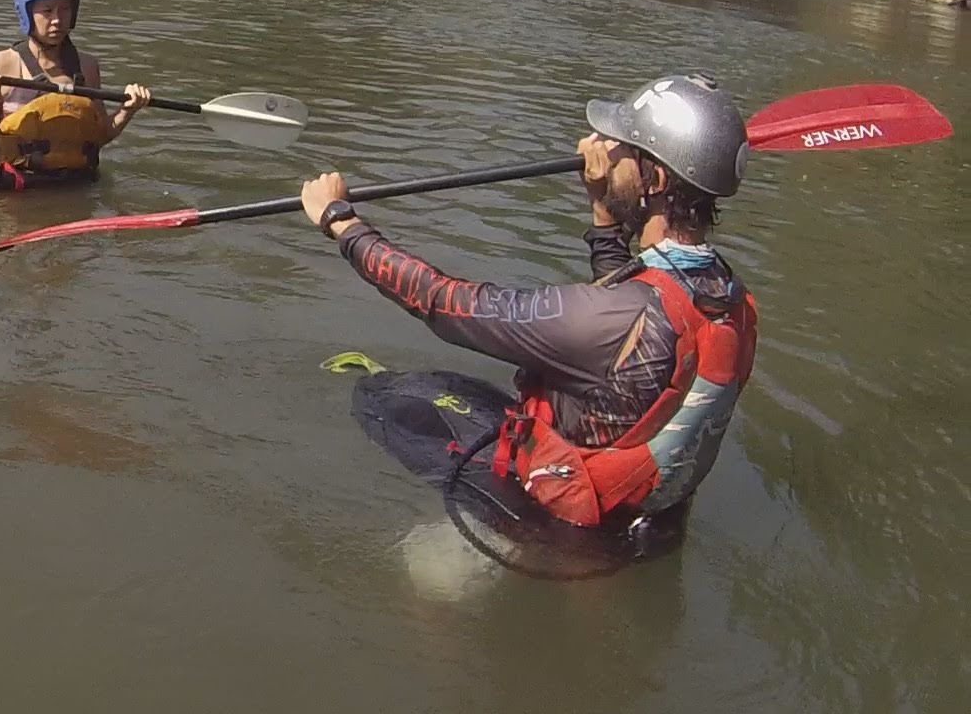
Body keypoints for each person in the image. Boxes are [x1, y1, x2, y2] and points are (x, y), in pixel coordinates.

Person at [300, 72, 759, 564]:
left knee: (378, 403)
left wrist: (342, 223)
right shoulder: (727, 298)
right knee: (441, 390)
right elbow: (627, 351)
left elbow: (444, 302)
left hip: (549, 530)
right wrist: (604, 213)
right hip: (644, 526)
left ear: (656, 180)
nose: (605, 150)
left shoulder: (608, 319)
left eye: (623, 148)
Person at [0, 0, 151, 192]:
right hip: (16, 188)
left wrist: (127, 110)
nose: (57, 19)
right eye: (47, 11)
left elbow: (101, 136)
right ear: (27, 13)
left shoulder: (87, 66)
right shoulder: (3, 64)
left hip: (76, 186)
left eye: (64, 9)